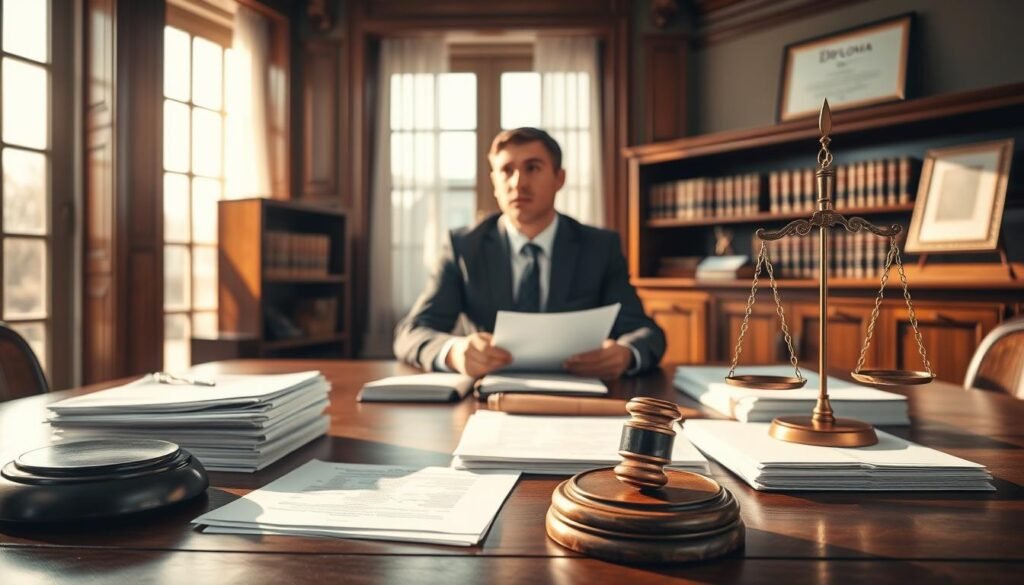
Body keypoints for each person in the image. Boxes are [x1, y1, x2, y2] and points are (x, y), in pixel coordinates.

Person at [393, 127, 665, 379]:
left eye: (532, 168)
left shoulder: (599, 246)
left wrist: (626, 354)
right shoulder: (464, 247)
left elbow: (646, 333)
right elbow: (411, 332)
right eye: (506, 170)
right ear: (494, 181)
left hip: (577, 392)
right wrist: (454, 352)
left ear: (559, 178)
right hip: (488, 397)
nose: (518, 182)